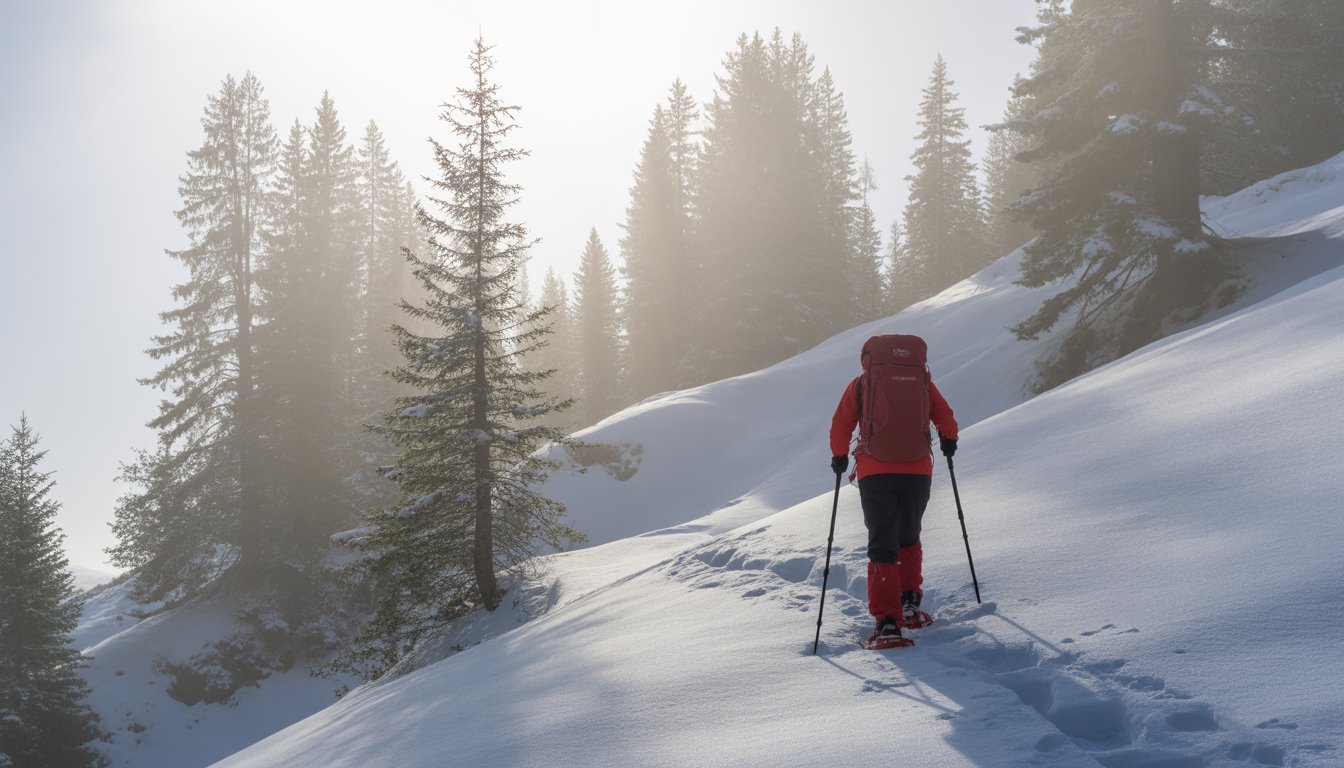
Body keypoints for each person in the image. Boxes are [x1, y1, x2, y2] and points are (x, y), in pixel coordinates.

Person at [829, 336, 958, 644]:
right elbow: (945, 416)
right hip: (917, 470)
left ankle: (888, 621)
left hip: (876, 472)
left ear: (867, 359)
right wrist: (949, 440)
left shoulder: (862, 384)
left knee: (882, 542)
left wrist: (839, 456)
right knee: (909, 535)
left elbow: (840, 424)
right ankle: (910, 603)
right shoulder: (922, 381)